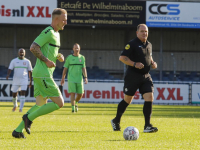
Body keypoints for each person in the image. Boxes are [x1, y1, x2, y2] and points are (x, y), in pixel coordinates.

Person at [12, 8, 67, 139]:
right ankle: (28, 118)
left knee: (40, 104)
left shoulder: (56, 34)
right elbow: (33, 47)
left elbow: (48, 51)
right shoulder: (48, 31)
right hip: (43, 74)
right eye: (64, 19)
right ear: (56, 19)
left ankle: (18, 131)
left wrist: (58, 56)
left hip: (41, 74)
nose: (66, 22)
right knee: (60, 103)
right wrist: (47, 60)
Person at [111, 24, 158, 133]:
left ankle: (147, 126)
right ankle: (116, 120)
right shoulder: (131, 44)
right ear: (137, 33)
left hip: (146, 76)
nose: (144, 33)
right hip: (133, 76)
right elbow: (122, 58)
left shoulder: (149, 44)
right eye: (142, 31)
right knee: (128, 100)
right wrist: (134, 63)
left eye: (146, 31)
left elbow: (149, 56)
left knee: (150, 97)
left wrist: (152, 62)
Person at [61, 43, 88, 113]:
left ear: (79, 49)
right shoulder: (69, 58)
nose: (76, 49)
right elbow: (65, 68)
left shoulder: (82, 58)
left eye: (77, 48)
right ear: (73, 49)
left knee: (80, 94)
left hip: (79, 79)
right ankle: (73, 109)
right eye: (75, 48)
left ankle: (75, 103)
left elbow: (83, 68)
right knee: (72, 93)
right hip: (71, 79)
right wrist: (63, 78)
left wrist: (86, 77)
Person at [6, 48, 32, 112]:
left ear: (25, 53)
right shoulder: (14, 61)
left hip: (24, 80)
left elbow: (30, 71)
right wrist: (8, 75)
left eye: (22, 52)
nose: (21, 53)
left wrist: (31, 81)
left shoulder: (27, 61)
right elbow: (10, 69)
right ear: (18, 53)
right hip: (16, 80)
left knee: (23, 93)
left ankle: (21, 109)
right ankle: (15, 105)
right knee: (14, 94)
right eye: (20, 52)